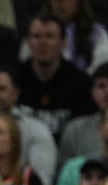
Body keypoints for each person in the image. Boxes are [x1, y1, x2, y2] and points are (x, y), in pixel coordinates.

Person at [18, 11, 96, 140]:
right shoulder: (14, 79)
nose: (42, 42)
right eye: (37, 36)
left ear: (63, 42)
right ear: (28, 42)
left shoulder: (81, 83)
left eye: (49, 36)